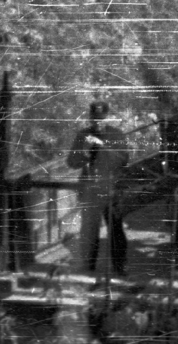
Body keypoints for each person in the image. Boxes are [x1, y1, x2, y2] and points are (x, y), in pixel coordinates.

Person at [67, 101, 130, 275]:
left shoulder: (116, 134)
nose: (97, 122)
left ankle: (120, 265)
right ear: (90, 117)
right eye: (94, 119)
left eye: (101, 119)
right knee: (89, 229)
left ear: (107, 117)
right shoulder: (83, 135)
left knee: (115, 229)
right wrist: (84, 152)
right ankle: (88, 266)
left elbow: (123, 159)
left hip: (110, 189)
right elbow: (71, 162)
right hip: (90, 190)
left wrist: (102, 146)